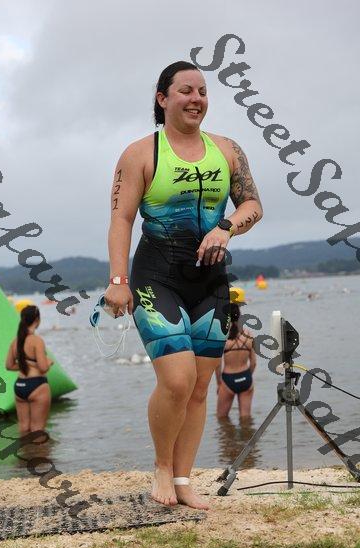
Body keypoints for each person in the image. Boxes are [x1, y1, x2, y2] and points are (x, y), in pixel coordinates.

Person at [104, 61, 263, 509]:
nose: (196, 99)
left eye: (203, 91)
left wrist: (226, 228)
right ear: (163, 99)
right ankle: (160, 467)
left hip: (210, 281)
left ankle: (182, 479)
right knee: (177, 379)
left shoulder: (227, 150)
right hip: (157, 277)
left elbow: (253, 204)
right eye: (186, 91)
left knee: (199, 386)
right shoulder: (140, 154)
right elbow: (121, 219)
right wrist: (117, 280)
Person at [5, 305, 53, 436]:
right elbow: (43, 368)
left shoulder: (15, 341)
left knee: (24, 429)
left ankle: (23, 450)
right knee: (38, 430)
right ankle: (40, 450)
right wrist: (48, 362)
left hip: (20, 386)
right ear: (37, 320)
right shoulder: (37, 341)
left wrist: (25, 364)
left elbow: (9, 365)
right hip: (37, 386)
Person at [215, 303, 256, 419]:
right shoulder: (248, 335)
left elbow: (218, 365)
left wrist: (219, 383)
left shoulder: (223, 337)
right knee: (246, 419)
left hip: (228, 380)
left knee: (222, 419)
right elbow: (253, 363)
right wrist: (247, 376)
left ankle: (229, 432)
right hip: (246, 378)